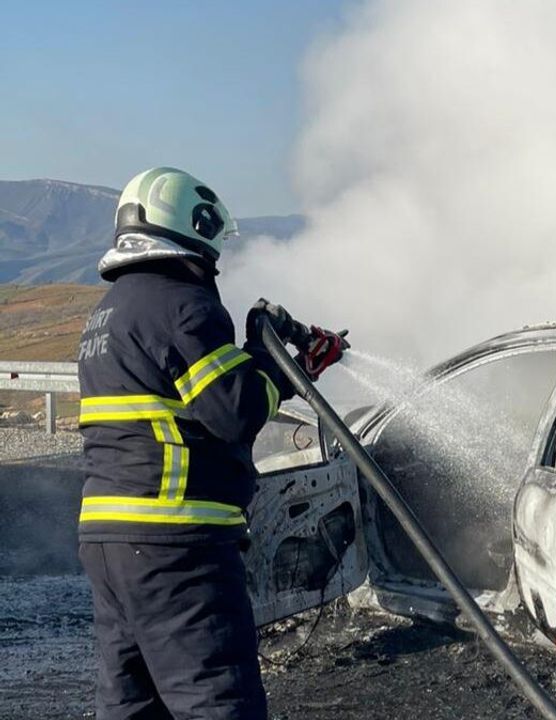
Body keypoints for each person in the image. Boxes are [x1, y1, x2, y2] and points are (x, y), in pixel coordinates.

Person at [76, 167, 346, 719]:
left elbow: (199, 399)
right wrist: (270, 354)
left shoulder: (108, 312)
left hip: (109, 541)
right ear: (191, 225)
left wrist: (283, 363)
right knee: (217, 700)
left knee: (131, 704)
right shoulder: (182, 304)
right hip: (177, 545)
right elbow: (236, 412)